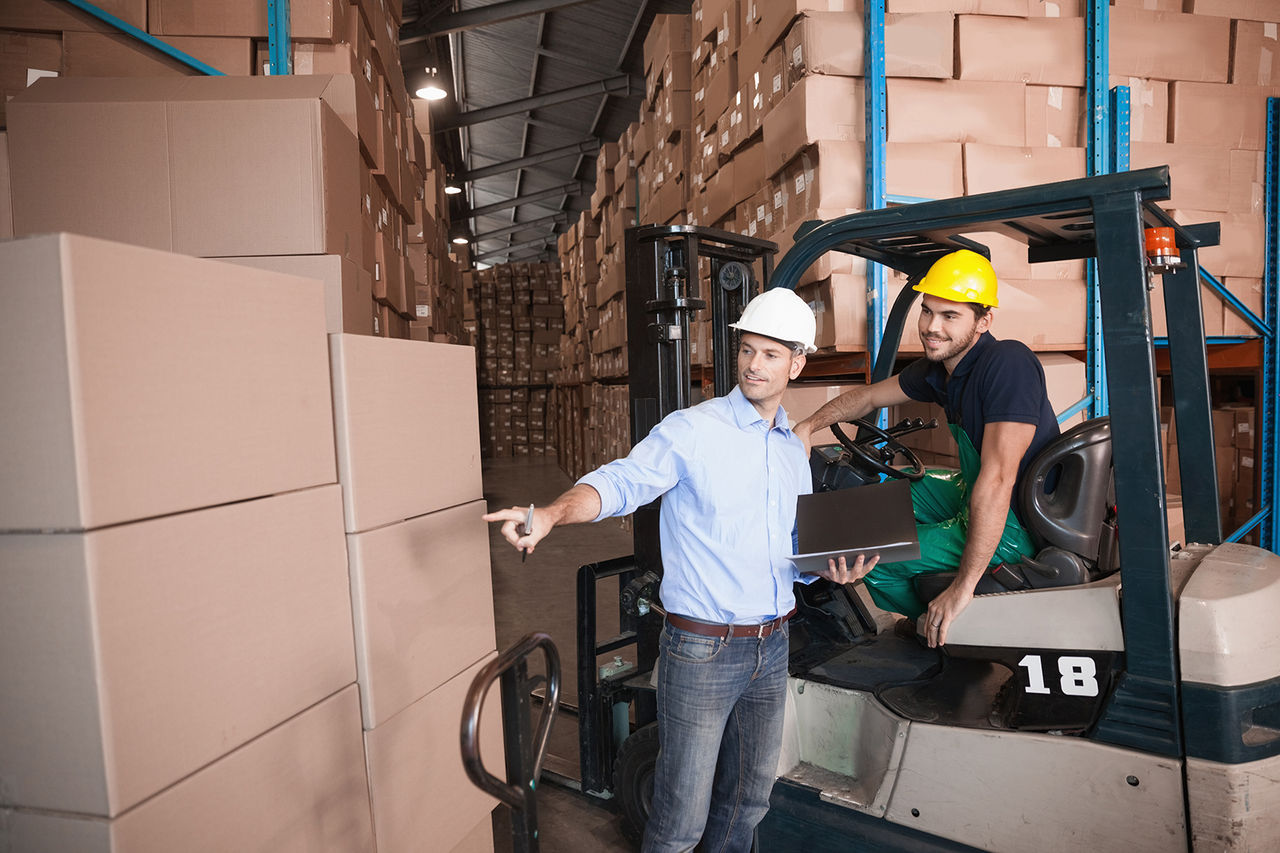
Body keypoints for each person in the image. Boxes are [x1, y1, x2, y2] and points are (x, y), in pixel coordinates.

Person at [484, 287, 874, 853]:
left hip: (773, 645)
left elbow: (788, 548)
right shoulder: (694, 430)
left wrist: (826, 571)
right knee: (680, 819)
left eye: (769, 354)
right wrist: (551, 514)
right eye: (747, 350)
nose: (753, 365)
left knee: (747, 805)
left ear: (797, 362)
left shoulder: (793, 448)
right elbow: (621, 483)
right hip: (704, 651)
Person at [793, 249, 1060, 649]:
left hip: (1014, 520)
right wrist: (806, 426)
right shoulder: (942, 369)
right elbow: (866, 398)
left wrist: (963, 588)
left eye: (950, 316)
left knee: (873, 560)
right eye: (927, 311)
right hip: (977, 489)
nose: (932, 327)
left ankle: (936, 627)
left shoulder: (1007, 364)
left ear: (983, 321)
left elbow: (999, 477)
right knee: (877, 501)